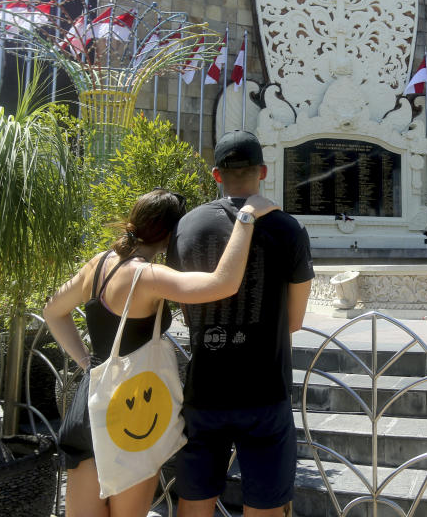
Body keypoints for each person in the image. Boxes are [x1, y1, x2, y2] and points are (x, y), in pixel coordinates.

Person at [44, 188, 278, 517]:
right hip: (132, 413)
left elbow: (53, 311)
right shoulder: (148, 276)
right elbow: (223, 283)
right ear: (172, 234)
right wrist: (246, 216)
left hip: (89, 403)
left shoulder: (99, 265)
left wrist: (87, 362)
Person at [167, 131, 314, 517]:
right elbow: (294, 321)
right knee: (266, 507)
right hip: (265, 391)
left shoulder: (186, 227)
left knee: (193, 502)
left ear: (216, 175)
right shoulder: (288, 229)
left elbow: (186, 307)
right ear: (263, 171)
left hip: (205, 390)